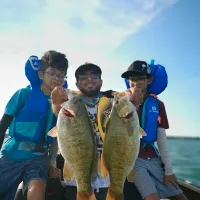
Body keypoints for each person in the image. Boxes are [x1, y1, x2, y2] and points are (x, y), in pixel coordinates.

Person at [51, 62, 143, 200]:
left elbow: (130, 95)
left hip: (109, 182)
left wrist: (134, 92)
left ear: (101, 81)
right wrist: (55, 101)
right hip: (76, 183)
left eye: (94, 75)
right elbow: (58, 109)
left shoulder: (112, 100)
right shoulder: (71, 100)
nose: (89, 79)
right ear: (77, 84)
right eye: (83, 77)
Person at [0, 50, 68, 200]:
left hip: (39, 157)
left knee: (37, 189)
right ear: (41, 74)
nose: (56, 79)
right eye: (52, 73)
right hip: (12, 154)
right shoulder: (23, 94)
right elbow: (2, 125)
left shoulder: (62, 104)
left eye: (61, 75)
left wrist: (53, 163)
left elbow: (56, 136)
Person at [121, 60, 188, 200]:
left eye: (141, 78)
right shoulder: (121, 101)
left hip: (154, 157)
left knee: (180, 196)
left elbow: (161, 139)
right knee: (152, 197)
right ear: (128, 81)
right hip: (134, 159)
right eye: (133, 79)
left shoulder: (158, 104)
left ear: (149, 80)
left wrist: (168, 170)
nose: (137, 82)